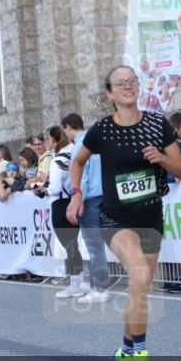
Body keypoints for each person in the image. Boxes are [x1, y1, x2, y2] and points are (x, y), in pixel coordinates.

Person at [67, 66, 181, 361]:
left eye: (132, 81)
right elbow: (77, 162)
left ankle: (125, 347)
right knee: (140, 276)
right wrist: (76, 194)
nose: (128, 87)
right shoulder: (102, 130)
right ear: (110, 93)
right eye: (120, 84)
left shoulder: (157, 125)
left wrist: (161, 159)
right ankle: (138, 357)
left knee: (140, 287)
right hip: (116, 218)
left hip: (151, 215)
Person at [62, 113, 110, 303]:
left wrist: (77, 197)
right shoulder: (98, 144)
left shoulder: (80, 147)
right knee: (104, 244)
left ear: (68, 127)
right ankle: (98, 285)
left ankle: (100, 288)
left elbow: (83, 175)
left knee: (94, 245)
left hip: (89, 198)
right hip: (104, 196)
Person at [38, 126, 85, 298]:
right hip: (75, 200)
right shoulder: (73, 151)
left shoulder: (57, 160)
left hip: (61, 204)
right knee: (74, 244)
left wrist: (44, 190)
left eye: (47, 139)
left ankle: (75, 284)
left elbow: (56, 188)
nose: (45, 142)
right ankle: (79, 281)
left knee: (70, 245)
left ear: (54, 139)